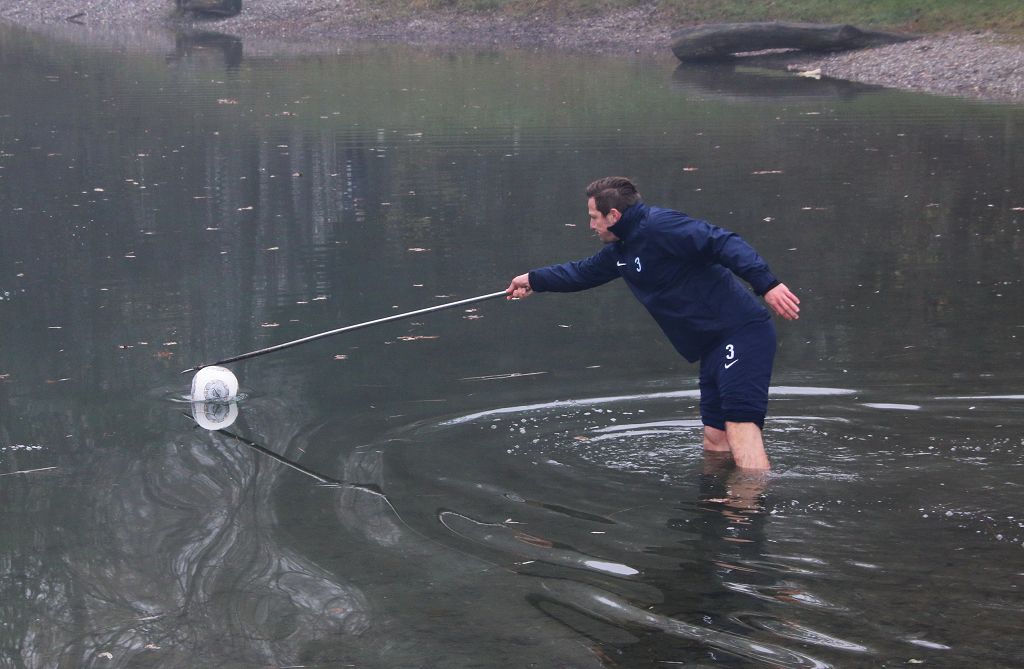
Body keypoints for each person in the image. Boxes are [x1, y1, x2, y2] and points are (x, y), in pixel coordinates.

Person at [506, 177, 800, 470]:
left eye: (594, 217)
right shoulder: (622, 250)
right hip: (711, 346)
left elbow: (722, 241)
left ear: (613, 216)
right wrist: (533, 280)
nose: (591, 225)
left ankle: (750, 496)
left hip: (741, 332)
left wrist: (767, 284)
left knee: (739, 423)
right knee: (715, 439)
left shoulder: (661, 226)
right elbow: (582, 272)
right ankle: (719, 495)